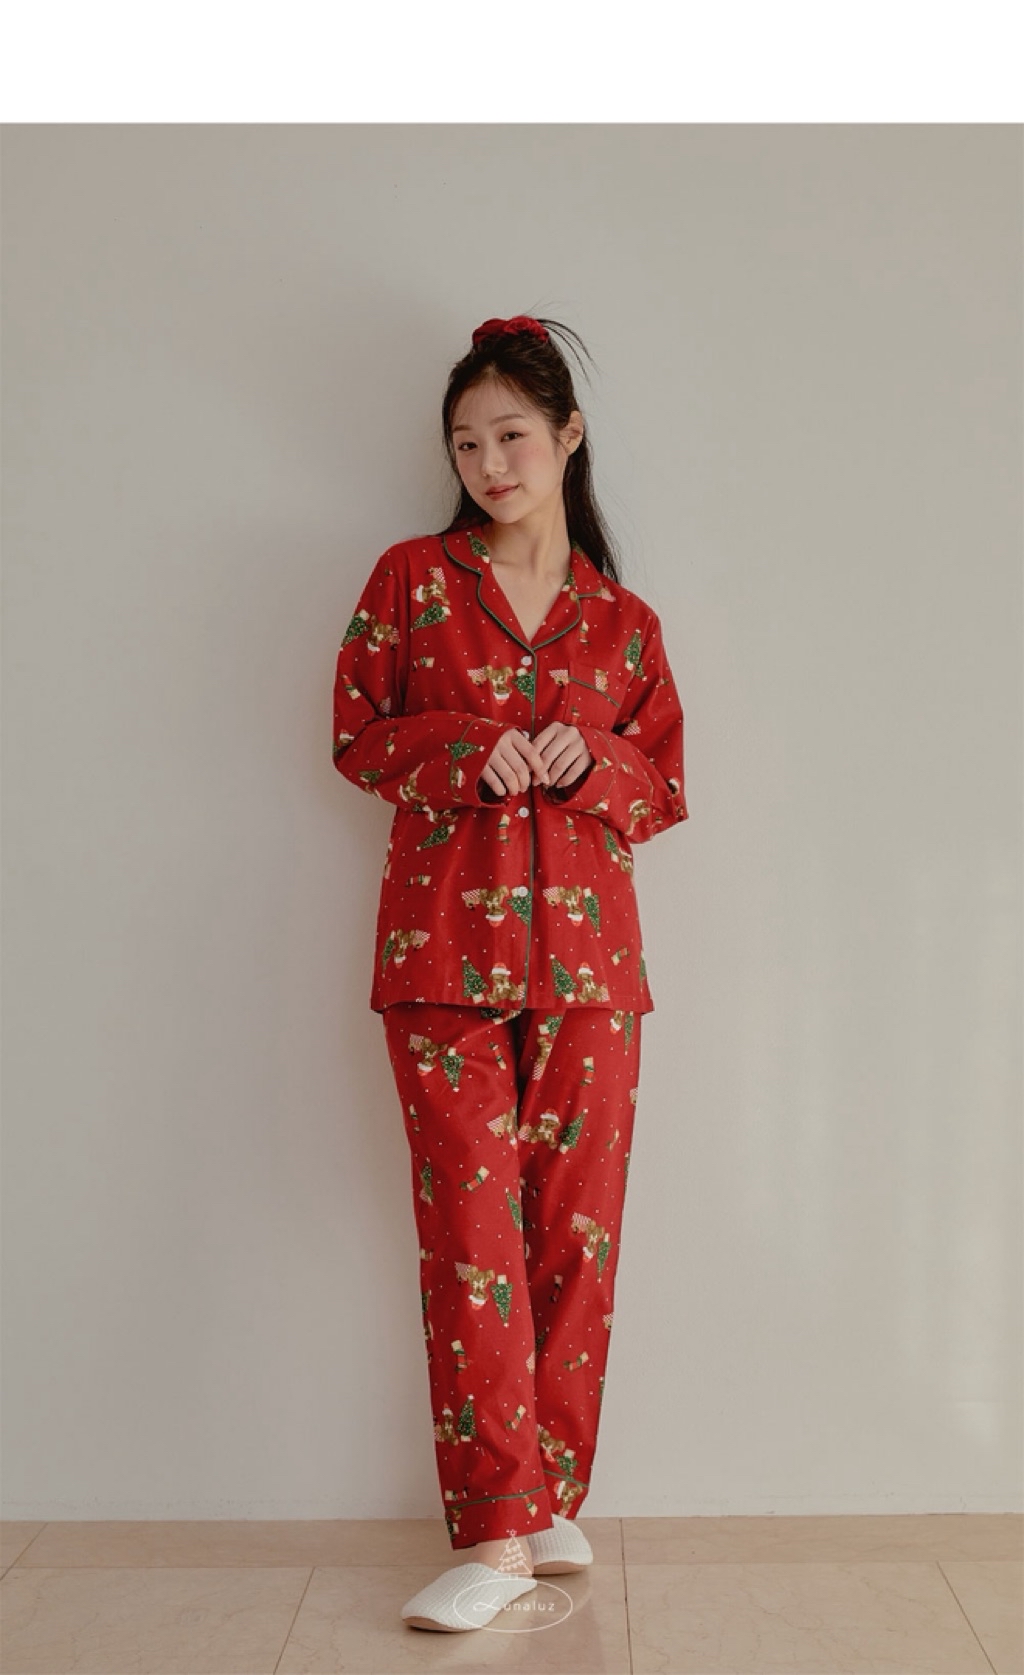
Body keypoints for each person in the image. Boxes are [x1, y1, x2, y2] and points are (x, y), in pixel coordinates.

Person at [332, 314, 689, 1630]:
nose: (490, 462)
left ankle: (546, 1499)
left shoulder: (624, 622)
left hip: (593, 967)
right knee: (474, 1240)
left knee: (576, 1241)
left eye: (512, 436)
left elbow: (663, 785)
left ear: (567, 438)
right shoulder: (411, 583)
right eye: (467, 443)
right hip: (441, 955)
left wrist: (597, 763)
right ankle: (496, 1535)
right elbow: (355, 732)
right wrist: (460, 749)